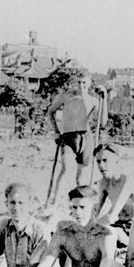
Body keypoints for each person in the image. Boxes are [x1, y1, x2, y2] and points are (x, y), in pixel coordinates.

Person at [44, 75, 103, 206]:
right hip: (68, 137)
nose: (81, 85)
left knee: (81, 177)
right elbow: (51, 111)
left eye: (84, 83)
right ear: (76, 83)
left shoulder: (93, 100)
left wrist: (104, 100)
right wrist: (56, 131)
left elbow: (102, 122)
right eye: (79, 82)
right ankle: (53, 202)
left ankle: (81, 203)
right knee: (66, 168)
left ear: (89, 84)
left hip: (86, 138)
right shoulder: (66, 96)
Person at [94, 143, 134, 245]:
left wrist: (92, 227)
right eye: (98, 161)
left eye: (105, 160)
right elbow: (95, 210)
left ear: (116, 160)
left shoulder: (128, 180)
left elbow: (112, 215)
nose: (101, 166)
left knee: (101, 233)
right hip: (120, 226)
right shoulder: (104, 182)